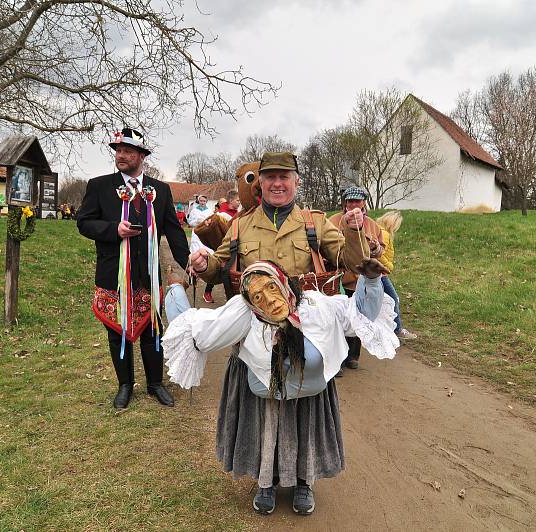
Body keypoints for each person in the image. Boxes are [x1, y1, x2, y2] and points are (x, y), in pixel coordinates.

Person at [187, 151, 373, 516]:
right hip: (255, 333)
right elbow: (219, 267)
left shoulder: (314, 224)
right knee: (262, 407)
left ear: (296, 181)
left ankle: (304, 481)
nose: (276, 183)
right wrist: (204, 263)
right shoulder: (241, 226)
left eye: (284, 176)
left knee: (306, 405)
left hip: (306, 334)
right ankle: (265, 480)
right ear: (260, 182)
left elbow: (350, 262)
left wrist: (355, 231)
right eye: (269, 176)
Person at [163, 259, 398, 516]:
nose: (270, 301)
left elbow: (361, 314)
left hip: (309, 392)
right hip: (267, 392)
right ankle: (266, 484)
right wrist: (175, 291)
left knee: (306, 433)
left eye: (272, 289)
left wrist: (372, 280)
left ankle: (304, 483)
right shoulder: (243, 314)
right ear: (250, 302)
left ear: (284, 282)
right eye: (258, 297)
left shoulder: (317, 306)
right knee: (267, 433)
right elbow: (196, 330)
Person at [77, 127, 190, 409]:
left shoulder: (159, 190)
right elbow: (84, 223)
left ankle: (155, 384)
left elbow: (174, 232)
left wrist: (188, 262)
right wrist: (113, 228)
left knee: (153, 330)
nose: (121, 156)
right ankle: (125, 385)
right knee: (117, 333)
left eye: (128, 151)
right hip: (113, 276)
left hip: (148, 276)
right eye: (118, 151)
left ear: (142, 156)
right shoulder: (99, 186)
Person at [328, 186, 384, 375]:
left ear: (363, 203)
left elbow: (380, 249)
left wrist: (375, 249)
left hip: (361, 280)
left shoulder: (373, 225)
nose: (353, 205)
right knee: (340, 319)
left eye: (357, 201)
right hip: (340, 279)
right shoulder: (334, 221)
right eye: (350, 201)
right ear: (345, 203)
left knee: (360, 317)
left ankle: (353, 356)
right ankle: (339, 361)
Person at [376, 211, 418, 340]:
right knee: (393, 299)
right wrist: (389, 265)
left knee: (382, 301)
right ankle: (397, 330)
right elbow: (379, 254)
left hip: (377, 272)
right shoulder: (385, 234)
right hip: (380, 273)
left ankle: (387, 328)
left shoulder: (379, 231)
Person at [187, 194, 217, 303]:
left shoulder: (209, 211)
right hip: (196, 235)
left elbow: (212, 223)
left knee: (207, 256)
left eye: (204, 201)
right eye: (201, 201)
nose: (202, 202)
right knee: (195, 256)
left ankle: (206, 275)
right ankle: (194, 277)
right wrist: (197, 222)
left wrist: (205, 223)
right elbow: (190, 222)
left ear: (207, 201)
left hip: (205, 236)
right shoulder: (194, 210)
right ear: (198, 201)